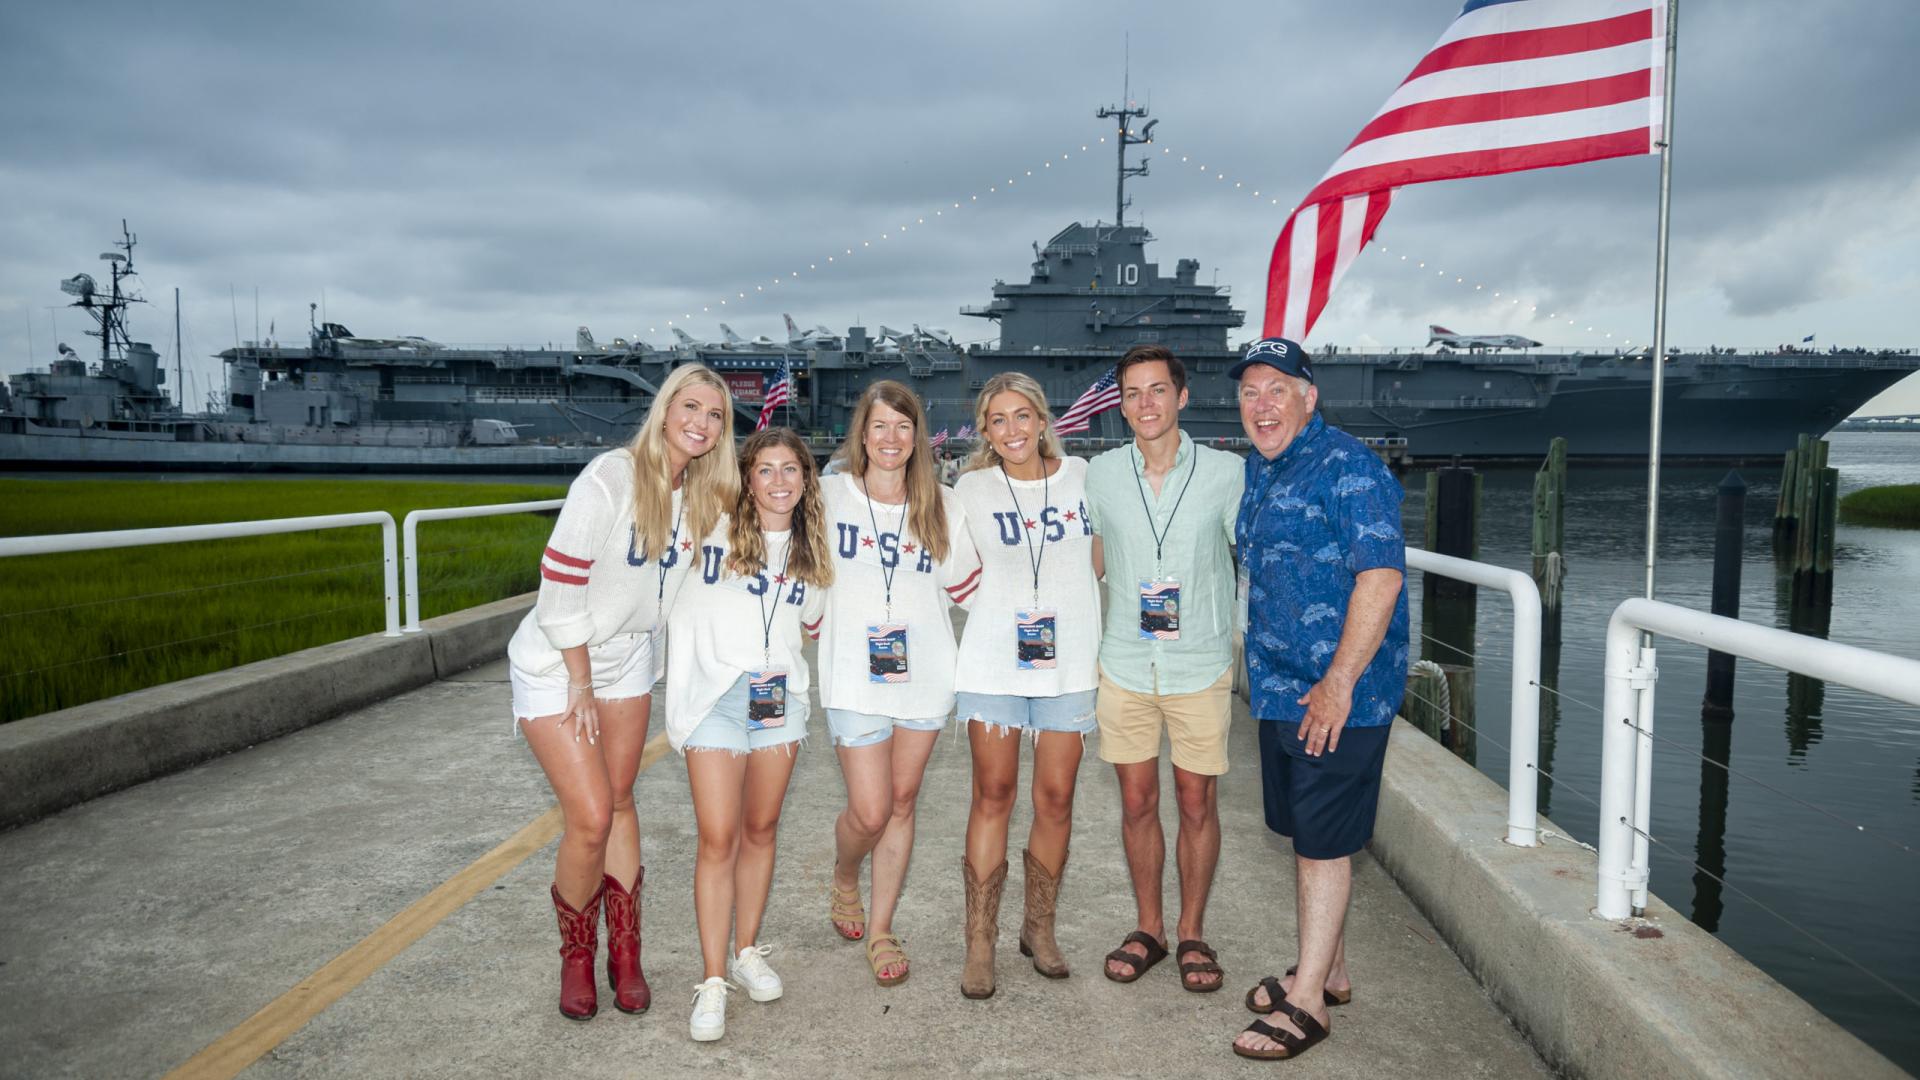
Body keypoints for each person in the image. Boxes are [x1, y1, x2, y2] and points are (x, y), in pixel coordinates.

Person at [506, 363, 736, 1021]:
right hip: (559, 661)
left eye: (715, 414)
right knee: (590, 816)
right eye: (689, 406)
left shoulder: (700, 494)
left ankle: (625, 953)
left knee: (623, 800)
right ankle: (577, 955)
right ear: (664, 411)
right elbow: (559, 584)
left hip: (629, 659)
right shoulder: (611, 478)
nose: (700, 422)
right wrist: (579, 680)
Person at [1227, 338, 1409, 1062]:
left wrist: (1337, 684)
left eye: (1278, 389)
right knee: (1303, 830)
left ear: (1310, 396)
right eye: (1249, 392)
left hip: (1339, 696)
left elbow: (1382, 579)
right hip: (1278, 685)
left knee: (1322, 844)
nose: (1261, 404)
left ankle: (1309, 1006)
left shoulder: (1351, 469)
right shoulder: (1261, 469)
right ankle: (1326, 969)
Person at [1082, 345, 1245, 992]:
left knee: (1197, 801)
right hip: (1124, 660)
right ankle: (1148, 926)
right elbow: (1089, 556)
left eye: (1157, 390)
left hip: (1199, 661)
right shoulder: (1098, 475)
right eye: (1132, 393)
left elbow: (1254, 550)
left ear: (1182, 397)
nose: (1145, 404)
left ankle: (1191, 931)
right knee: (1136, 800)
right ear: (1119, 405)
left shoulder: (1227, 474)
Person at [667, 427, 832, 1041]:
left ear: (805, 480)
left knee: (760, 829)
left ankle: (747, 950)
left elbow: (809, 624)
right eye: (765, 470)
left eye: (791, 469)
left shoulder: (812, 550)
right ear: (746, 477)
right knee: (718, 837)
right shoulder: (709, 525)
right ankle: (712, 980)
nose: (779, 481)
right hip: (713, 696)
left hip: (777, 699)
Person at [817, 381, 978, 987]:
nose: (891, 438)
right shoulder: (827, 496)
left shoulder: (944, 503)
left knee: (902, 804)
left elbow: (972, 590)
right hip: (852, 676)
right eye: (879, 426)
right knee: (870, 808)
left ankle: (881, 926)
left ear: (918, 437)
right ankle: (843, 872)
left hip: (926, 673)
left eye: (903, 427)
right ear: (862, 433)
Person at [950, 372, 1100, 999]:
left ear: (1043, 420)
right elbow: (957, 575)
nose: (1011, 430)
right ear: (984, 431)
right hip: (992, 663)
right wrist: (1004, 607)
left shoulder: (1084, 478)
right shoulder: (972, 488)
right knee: (994, 792)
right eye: (997, 420)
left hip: (1068, 666)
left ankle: (1038, 928)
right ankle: (980, 940)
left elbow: (1100, 559)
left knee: (1057, 797)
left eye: (1022, 416)